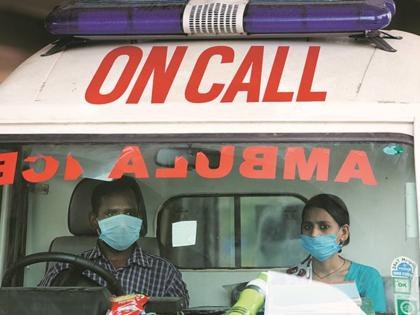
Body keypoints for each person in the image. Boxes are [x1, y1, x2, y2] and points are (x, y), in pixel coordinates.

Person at [39, 176, 189, 304]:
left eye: (130, 213)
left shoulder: (164, 273)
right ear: (94, 220)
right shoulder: (65, 269)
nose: (122, 221)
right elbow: (35, 307)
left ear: (139, 219)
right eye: (111, 214)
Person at [286, 193, 386, 313]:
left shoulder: (367, 277)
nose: (314, 234)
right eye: (308, 227)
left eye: (323, 227)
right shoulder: (291, 278)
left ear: (343, 232)